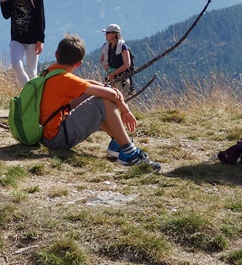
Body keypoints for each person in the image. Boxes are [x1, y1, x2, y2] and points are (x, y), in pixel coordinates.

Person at [38, 34, 160, 169]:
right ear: (79, 63)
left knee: (91, 96)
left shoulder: (49, 73)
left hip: (44, 134)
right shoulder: (67, 80)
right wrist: (125, 110)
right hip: (57, 139)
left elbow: (87, 83)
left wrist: (106, 88)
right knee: (103, 102)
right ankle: (129, 153)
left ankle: (117, 143)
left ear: (56, 54)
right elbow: (110, 95)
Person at [0, 0, 45, 86]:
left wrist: (40, 40)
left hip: (33, 40)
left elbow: (40, 17)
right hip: (16, 38)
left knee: (31, 72)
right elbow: (6, 15)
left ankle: (31, 99)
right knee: (15, 65)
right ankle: (29, 93)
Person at [100, 23, 136, 159]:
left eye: (108, 33)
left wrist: (113, 73)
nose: (106, 35)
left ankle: (119, 136)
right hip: (113, 78)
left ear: (114, 34)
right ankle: (119, 135)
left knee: (120, 104)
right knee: (114, 104)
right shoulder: (107, 47)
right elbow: (102, 59)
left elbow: (127, 64)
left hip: (122, 80)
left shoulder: (123, 47)